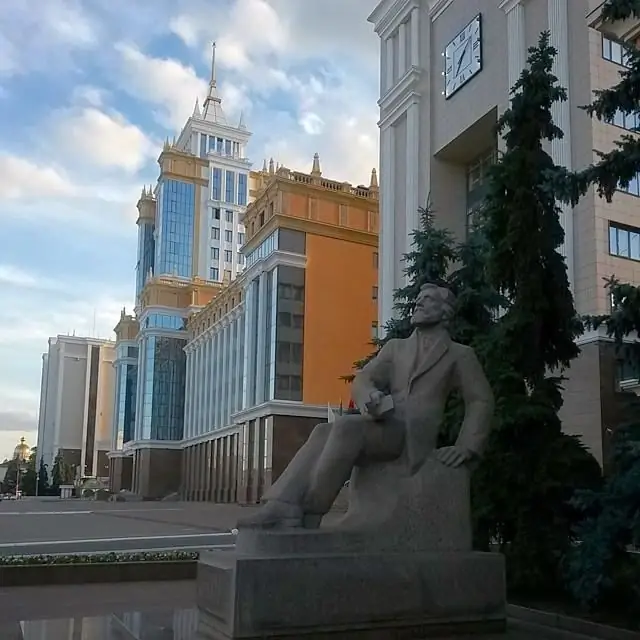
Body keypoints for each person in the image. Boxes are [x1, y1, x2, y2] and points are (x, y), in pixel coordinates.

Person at [238, 283, 494, 529]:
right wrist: (369, 395)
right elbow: (364, 377)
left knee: (347, 428)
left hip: (412, 437)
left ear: (444, 312)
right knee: (322, 431)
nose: (418, 303)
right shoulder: (396, 348)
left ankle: (310, 510)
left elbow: (480, 399)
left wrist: (466, 447)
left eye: (427, 301)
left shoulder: (459, 355)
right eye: (418, 300)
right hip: (386, 422)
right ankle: (281, 504)